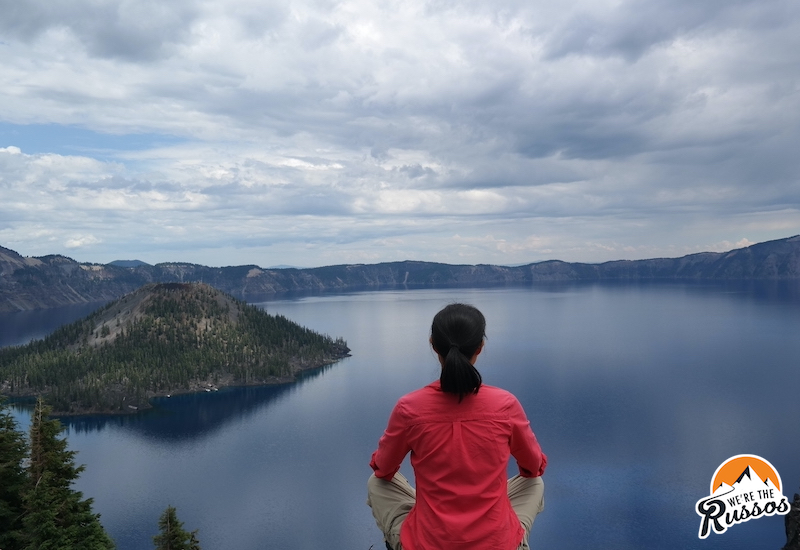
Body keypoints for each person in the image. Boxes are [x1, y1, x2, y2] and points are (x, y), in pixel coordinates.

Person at [367, 303, 547, 550]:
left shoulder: (409, 408)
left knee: (376, 484)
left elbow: (384, 470)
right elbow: (533, 468)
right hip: (496, 544)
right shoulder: (505, 405)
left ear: (433, 344)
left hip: (428, 544)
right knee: (535, 483)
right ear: (480, 348)